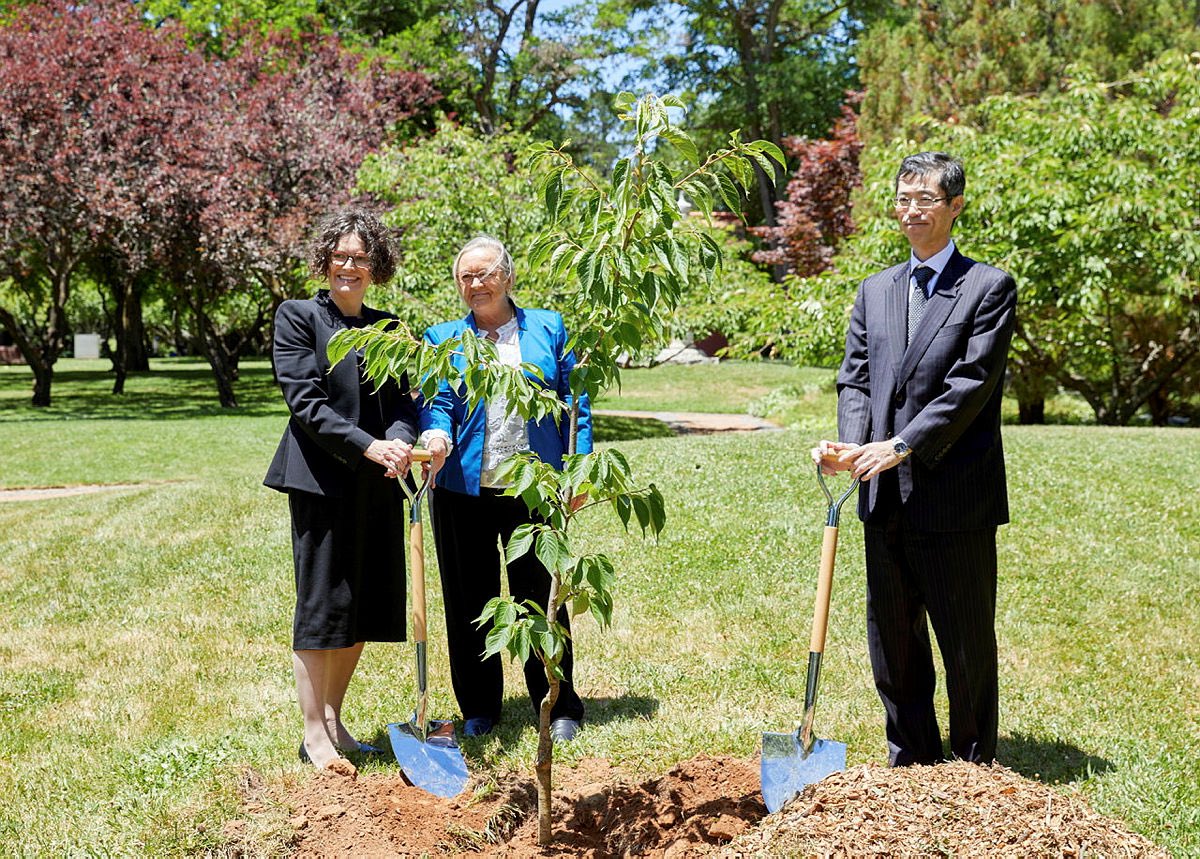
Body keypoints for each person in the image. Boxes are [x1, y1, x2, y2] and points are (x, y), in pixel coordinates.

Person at [813, 152, 1016, 767]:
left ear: (955, 206)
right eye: (904, 199)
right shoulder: (875, 290)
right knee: (893, 641)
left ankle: (974, 766)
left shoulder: (987, 287)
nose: (911, 210)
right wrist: (851, 446)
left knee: (965, 641)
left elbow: (971, 385)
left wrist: (901, 446)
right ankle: (911, 760)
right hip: (882, 496)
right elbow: (856, 379)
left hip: (954, 495)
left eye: (925, 199)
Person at [264, 209, 418, 771]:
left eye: (360, 257)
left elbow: (403, 403)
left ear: (376, 266)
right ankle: (313, 736)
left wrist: (399, 443)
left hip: (379, 481)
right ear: (325, 260)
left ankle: (333, 720)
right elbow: (304, 402)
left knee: (362, 603)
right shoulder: (299, 317)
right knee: (323, 602)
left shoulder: (390, 328)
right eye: (340, 256)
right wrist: (367, 445)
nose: (348, 266)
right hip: (321, 479)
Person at [419, 235, 589, 742]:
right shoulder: (442, 338)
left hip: (534, 486)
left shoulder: (549, 328)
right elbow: (437, 402)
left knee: (541, 597)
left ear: (508, 276)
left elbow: (575, 403)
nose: (475, 284)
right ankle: (479, 707)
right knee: (469, 602)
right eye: (465, 277)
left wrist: (578, 470)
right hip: (462, 489)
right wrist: (435, 435)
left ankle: (558, 703)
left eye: (485, 273)